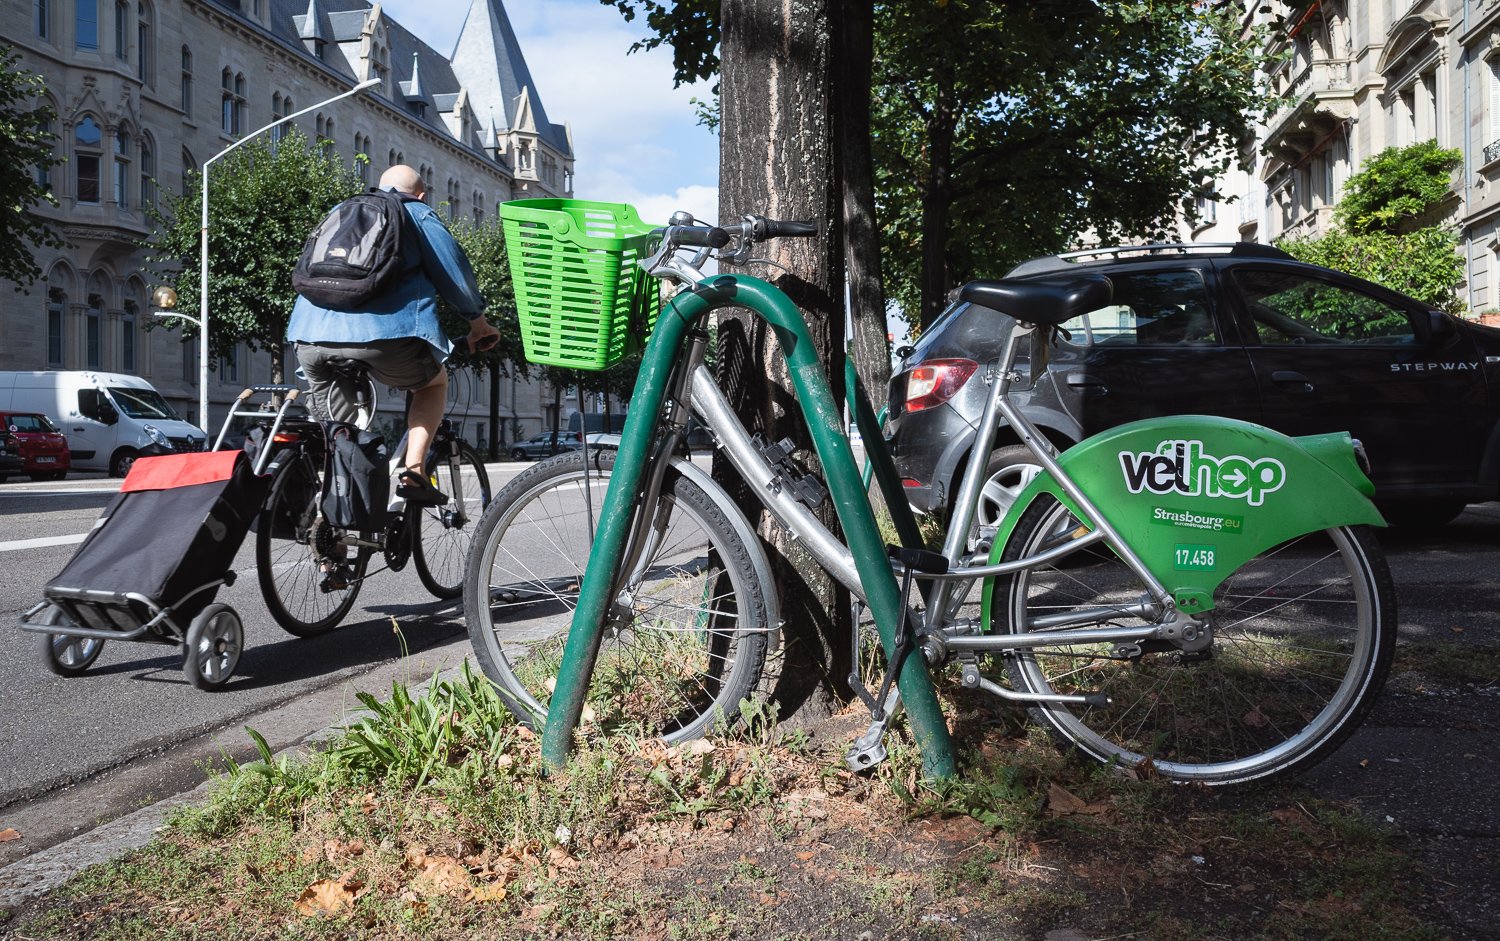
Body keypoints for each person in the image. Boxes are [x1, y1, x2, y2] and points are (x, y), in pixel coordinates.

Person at [287, 164, 500, 507]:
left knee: (341, 439)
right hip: (385, 337)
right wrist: (478, 323)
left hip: (309, 337)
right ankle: (414, 471)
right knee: (432, 384)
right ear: (421, 195)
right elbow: (454, 273)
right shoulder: (416, 212)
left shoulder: (342, 210)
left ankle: (329, 529)